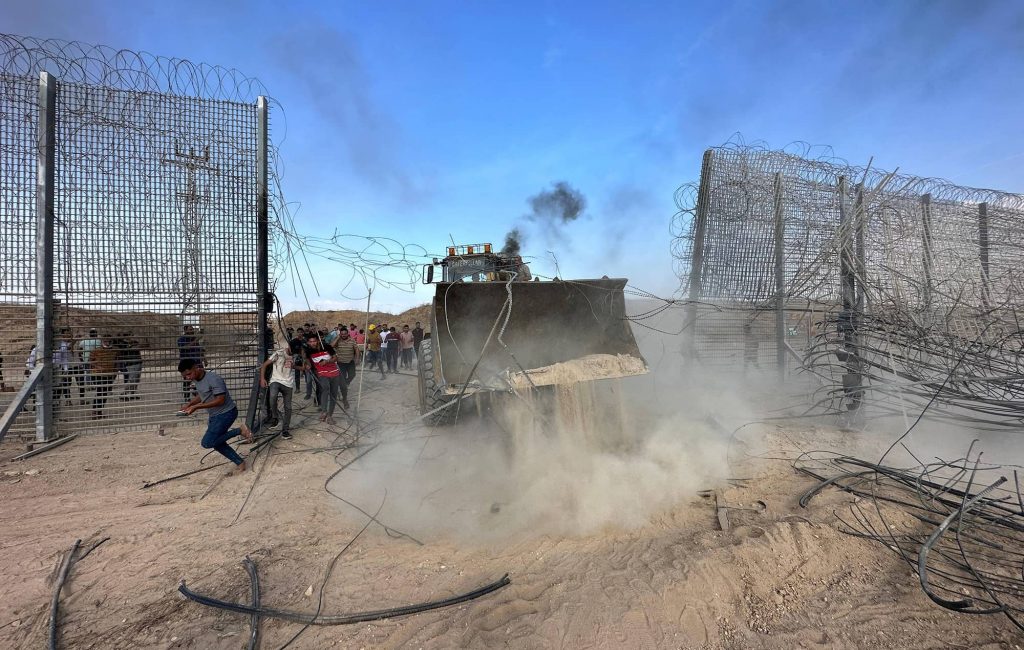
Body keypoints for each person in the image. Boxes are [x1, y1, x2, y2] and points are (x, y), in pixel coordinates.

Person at [179, 359, 253, 472]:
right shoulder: (197, 379)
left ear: (196, 367)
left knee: (207, 442)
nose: (188, 378)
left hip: (226, 413)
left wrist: (196, 407)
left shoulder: (213, 379)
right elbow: (203, 394)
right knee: (217, 442)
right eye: (185, 376)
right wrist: (188, 404)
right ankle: (240, 462)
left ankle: (239, 431)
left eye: (189, 374)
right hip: (215, 416)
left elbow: (220, 400)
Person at [258, 341, 304, 440]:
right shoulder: (279, 353)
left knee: (288, 407)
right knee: (273, 397)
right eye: (293, 350)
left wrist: (294, 366)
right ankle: (275, 417)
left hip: (288, 383)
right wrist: (262, 379)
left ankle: (285, 430)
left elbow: (303, 368)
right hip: (276, 380)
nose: (294, 353)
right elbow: (264, 365)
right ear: (289, 347)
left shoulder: (297, 356)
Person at [308, 335, 347, 424]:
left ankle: (330, 416)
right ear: (308, 343)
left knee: (333, 394)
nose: (312, 343)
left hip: (334, 372)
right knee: (325, 389)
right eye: (310, 341)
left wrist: (327, 361)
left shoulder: (327, 346)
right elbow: (307, 361)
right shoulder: (308, 351)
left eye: (314, 341)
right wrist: (307, 365)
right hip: (322, 373)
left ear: (318, 341)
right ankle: (324, 411)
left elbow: (336, 358)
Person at [89, 336, 118, 418]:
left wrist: (115, 372)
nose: (107, 343)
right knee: (100, 391)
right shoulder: (96, 351)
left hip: (109, 374)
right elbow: (90, 361)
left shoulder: (115, 350)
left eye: (109, 341)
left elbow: (117, 361)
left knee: (105, 393)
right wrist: (97, 368)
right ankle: (95, 411)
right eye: (105, 341)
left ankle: (99, 411)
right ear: (102, 342)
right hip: (98, 374)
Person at [177, 326, 204, 402]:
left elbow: (199, 349)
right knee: (187, 381)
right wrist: (197, 339)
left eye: (192, 329)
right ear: (185, 330)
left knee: (199, 379)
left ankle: (197, 394)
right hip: (187, 363)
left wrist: (204, 359)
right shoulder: (181, 339)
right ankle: (186, 397)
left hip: (197, 362)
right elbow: (186, 347)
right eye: (190, 329)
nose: (192, 331)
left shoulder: (194, 338)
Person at [78, 328, 101, 403]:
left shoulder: (84, 341)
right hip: (95, 360)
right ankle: (94, 385)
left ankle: (88, 386)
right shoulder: (98, 341)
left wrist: (81, 359)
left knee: (87, 372)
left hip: (85, 359)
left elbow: (79, 350)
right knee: (94, 372)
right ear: (96, 334)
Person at [119, 331, 142, 400]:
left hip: (138, 362)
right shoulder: (123, 344)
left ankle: (133, 393)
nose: (132, 337)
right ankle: (124, 393)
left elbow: (138, 347)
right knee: (131, 379)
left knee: (137, 379)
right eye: (131, 335)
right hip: (131, 364)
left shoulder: (134, 342)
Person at [53, 330, 72, 404]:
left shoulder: (61, 345)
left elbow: (63, 358)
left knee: (60, 385)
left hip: (58, 368)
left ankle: (57, 400)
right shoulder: (44, 345)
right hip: (48, 369)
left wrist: (66, 369)